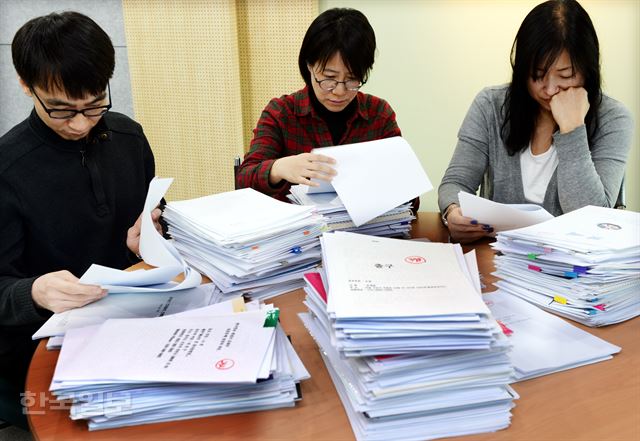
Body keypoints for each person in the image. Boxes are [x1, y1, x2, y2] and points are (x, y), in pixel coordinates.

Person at [0, 12, 162, 429]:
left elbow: (153, 215)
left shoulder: (128, 136)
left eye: (93, 106)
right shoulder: (8, 168)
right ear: (25, 83)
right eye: (60, 110)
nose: (79, 124)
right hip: (45, 350)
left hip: (132, 326)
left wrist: (156, 232)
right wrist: (33, 291)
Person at [438, 0, 633, 243]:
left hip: (574, 269)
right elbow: (455, 183)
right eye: (537, 75)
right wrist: (453, 212)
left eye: (565, 75)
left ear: (587, 69)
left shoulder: (613, 118)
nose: (550, 89)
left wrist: (572, 128)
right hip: (500, 262)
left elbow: (590, 217)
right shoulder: (491, 104)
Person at [236, 8, 404, 203]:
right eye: (329, 78)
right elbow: (244, 179)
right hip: (300, 231)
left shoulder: (379, 114)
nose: (339, 91)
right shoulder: (281, 113)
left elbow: (410, 197)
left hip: (362, 230)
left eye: (352, 80)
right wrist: (279, 168)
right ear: (309, 66)